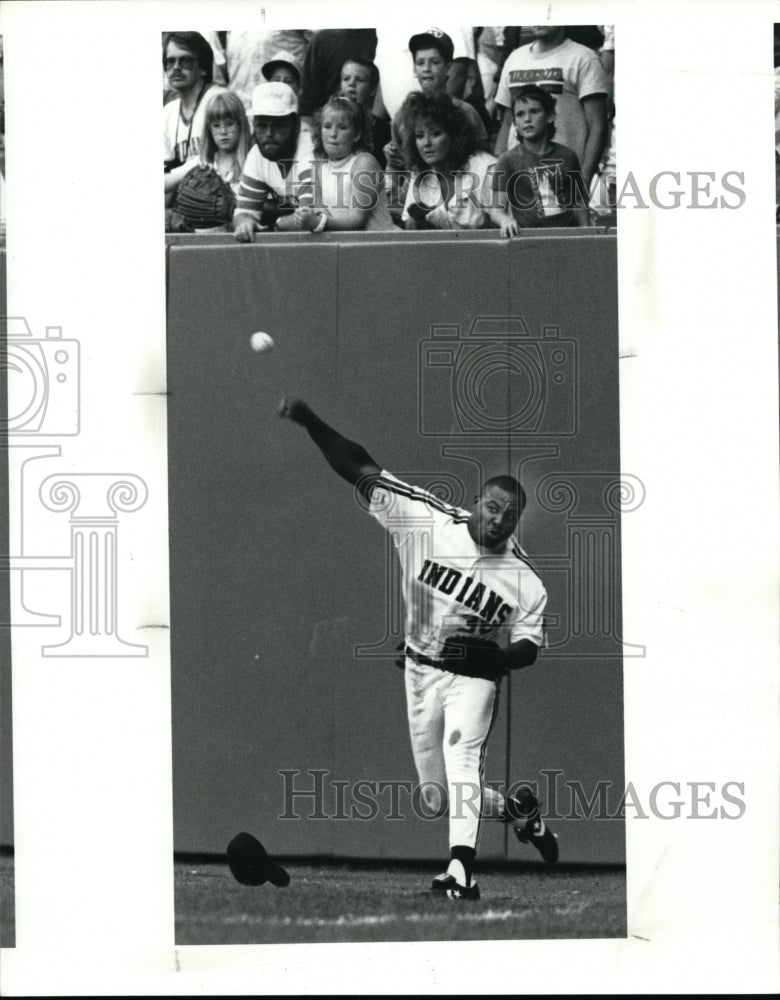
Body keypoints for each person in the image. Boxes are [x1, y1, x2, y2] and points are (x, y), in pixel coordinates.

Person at [278, 396, 558, 899]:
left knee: (462, 757)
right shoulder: (427, 521)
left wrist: (498, 659)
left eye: (509, 516)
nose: (497, 520)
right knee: (437, 796)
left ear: (517, 523)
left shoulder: (526, 580)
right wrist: (310, 422)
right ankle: (519, 814)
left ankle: (460, 871)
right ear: (478, 502)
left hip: (474, 675)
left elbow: (529, 646)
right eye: (492, 507)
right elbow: (359, 467)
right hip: (419, 671)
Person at [494, 25, 609, 190]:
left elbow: (598, 126)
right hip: (519, 179)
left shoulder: (583, 58)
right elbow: (506, 124)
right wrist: (499, 180)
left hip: (564, 178)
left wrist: (583, 180)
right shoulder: (515, 58)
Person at [384, 28, 489, 201]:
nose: (426, 69)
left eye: (434, 62)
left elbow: (482, 161)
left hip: (462, 198)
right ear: (414, 69)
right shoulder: (403, 115)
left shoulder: (466, 111)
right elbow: (395, 167)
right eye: (420, 62)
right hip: (418, 197)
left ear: (448, 68)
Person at [490, 85, 588, 233]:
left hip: (565, 237)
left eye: (534, 111)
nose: (527, 119)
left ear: (550, 116)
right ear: (515, 124)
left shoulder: (568, 155)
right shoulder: (507, 160)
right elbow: (496, 210)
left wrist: (586, 232)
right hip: (528, 238)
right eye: (520, 114)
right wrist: (505, 220)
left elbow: (579, 202)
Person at [294, 95, 394, 233]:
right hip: (347, 248)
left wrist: (318, 222)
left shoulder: (365, 162)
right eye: (327, 126)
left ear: (357, 134)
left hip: (385, 244)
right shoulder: (318, 166)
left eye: (342, 127)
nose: (333, 134)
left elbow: (357, 220)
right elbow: (320, 212)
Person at [401, 93, 497, 231]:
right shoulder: (419, 175)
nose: (426, 143)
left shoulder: (486, 169)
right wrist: (417, 218)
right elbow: (412, 235)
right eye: (420, 136)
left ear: (454, 135)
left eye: (435, 134)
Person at [232, 82, 316, 241]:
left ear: (296, 125)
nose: (269, 134)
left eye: (278, 126)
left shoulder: (309, 148)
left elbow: (309, 216)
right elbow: (243, 212)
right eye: (262, 126)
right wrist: (245, 222)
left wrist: (278, 224)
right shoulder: (256, 154)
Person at [165, 88, 251, 201]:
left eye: (230, 124)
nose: (223, 131)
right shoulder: (205, 161)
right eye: (216, 125)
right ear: (209, 129)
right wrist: (190, 173)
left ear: (241, 125)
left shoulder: (251, 160)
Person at [163, 32, 224, 172]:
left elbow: (229, 166)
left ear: (203, 68)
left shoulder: (219, 100)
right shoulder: (167, 112)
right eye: (170, 61)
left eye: (185, 61)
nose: (176, 67)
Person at [339, 57, 391, 169]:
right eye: (346, 78)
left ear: (373, 89)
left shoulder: (383, 132)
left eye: (360, 80)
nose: (351, 84)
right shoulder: (328, 123)